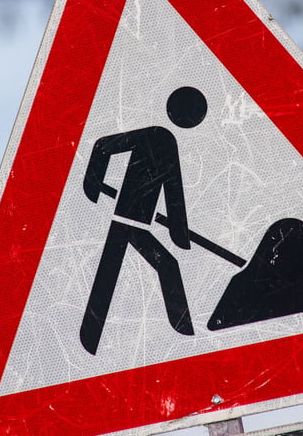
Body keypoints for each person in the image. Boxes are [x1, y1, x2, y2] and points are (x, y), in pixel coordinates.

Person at [79, 86, 207, 355]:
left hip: (133, 223)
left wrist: (178, 232)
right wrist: (91, 183)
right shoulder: (159, 137)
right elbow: (103, 146)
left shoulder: (162, 139)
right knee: (162, 266)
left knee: (115, 274)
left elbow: (174, 193)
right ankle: (188, 337)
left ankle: (89, 339)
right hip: (127, 221)